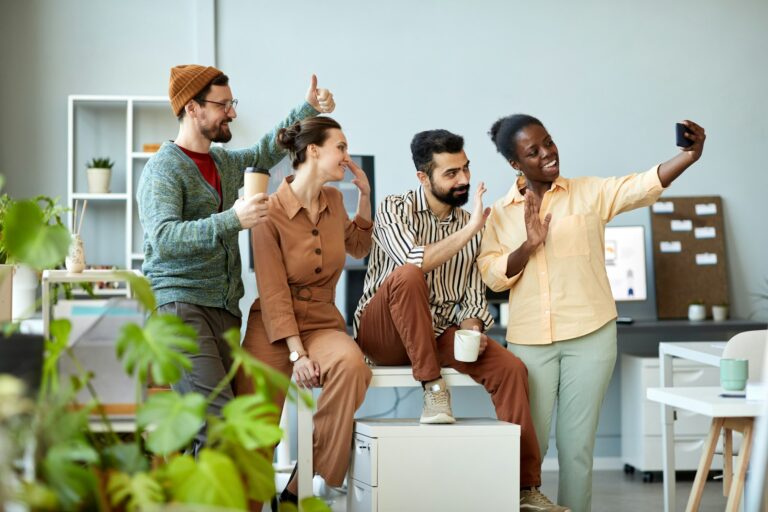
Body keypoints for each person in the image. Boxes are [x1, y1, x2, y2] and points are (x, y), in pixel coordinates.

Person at [478, 115, 706, 512]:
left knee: (578, 446)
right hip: (530, 342)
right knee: (528, 445)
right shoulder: (499, 214)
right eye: (533, 151)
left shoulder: (588, 193)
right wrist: (528, 246)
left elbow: (640, 186)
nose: (548, 153)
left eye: (548, 142)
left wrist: (688, 155)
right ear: (515, 164)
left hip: (591, 335)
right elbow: (493, 278)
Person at [354, 129, 567, 511]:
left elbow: (471, 294)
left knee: (510, 369)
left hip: (434, 332)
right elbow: (413, 261)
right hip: (382, 335)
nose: (464, 180)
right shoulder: (392, 207)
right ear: (424, 177)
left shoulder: (471, 223)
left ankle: (525, 488)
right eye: (451, 173)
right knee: (407, 275)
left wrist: (472, 326)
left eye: (465, 169)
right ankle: (433, 388)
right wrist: (471, 229)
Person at [136, 64, 335, 451]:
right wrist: (232, 219)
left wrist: (307, 108)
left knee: (209, 435)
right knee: (218, 429)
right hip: (181, 306)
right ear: (193, 108)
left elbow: (264, 150)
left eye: (233, 103)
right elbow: (162, 238)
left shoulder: (224, 163)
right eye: (223, 104)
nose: (233, 112)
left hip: (224, 310)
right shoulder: (163, 169)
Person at [234, 116, 373, 507]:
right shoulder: (268, 209)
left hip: (322, 323)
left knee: (352, 365)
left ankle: (301, 486)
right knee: (255, 429)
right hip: (273, 328)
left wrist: (364, 196)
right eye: (340, 147)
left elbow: (358, 247)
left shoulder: (333, 199)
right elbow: (273, 288)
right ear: (314, 151)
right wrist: (296, 353)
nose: (346, 157)